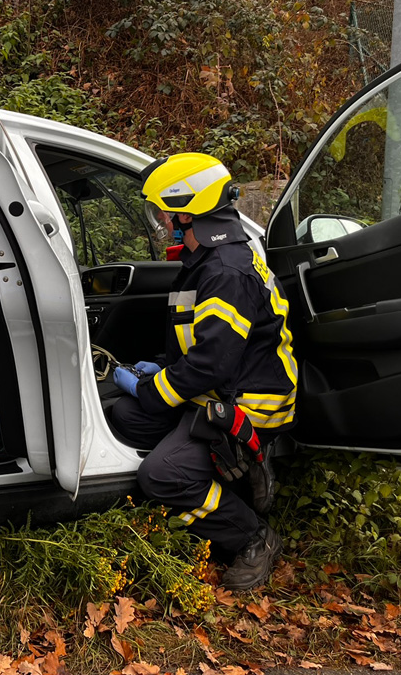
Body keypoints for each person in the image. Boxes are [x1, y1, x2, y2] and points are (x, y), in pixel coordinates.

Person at [110, 152, 297, 591]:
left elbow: (214, 362)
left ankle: (253, 536)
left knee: (161, 473)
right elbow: (201, 346)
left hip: (247, 405)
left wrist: (154, 388)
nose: (158, 220)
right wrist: (161, 367)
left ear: (184, 212)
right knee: (124, 417)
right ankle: (224, 469)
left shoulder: (226, 271)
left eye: (161, 210)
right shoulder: (207, 262)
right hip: (218, 391)